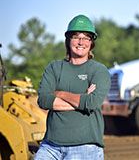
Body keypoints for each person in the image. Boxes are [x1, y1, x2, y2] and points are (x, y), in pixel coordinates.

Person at [34, 14, 111, 160]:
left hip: (85, 148)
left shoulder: (99, 71)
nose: (81, 42)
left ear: (91, 43)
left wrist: (59, 93)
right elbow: (44, 100)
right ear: (68, 40)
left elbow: (91, 103)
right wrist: (82, 98)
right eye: (76, 36)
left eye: (86, 37)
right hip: (50, 146)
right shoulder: (54, 68)